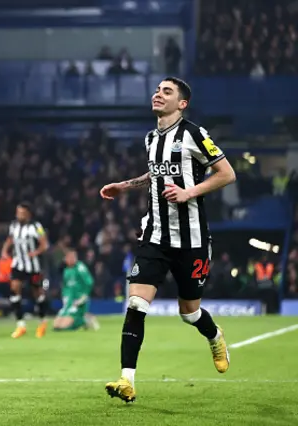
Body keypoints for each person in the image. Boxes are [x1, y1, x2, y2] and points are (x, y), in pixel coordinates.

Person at [99, 77, 236, 403]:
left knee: (189, 312)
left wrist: (189, 192)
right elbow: (155, 174)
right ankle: (126, 380)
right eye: (157, 90)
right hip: (155, 237)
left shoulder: (194, 134)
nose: (158, 94)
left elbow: (226, 173)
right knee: (136, 304)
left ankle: (215, 335)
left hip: (191, 240)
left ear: (182, 103)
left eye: (167, 91)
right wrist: (125, 185)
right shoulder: (150, 139)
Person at [1, 202, 49, 338]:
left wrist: (36, 252)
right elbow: (10, 240)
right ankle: (20, 325)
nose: (19, 215)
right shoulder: (14, 226)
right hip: (18, 264)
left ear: (28, 213)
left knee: (37, 293)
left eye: (21, 213)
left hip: (33, 266)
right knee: (15, 289)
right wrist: (4, 251)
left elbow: (44, 244)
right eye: (18, 212)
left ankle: (42, 322)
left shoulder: (36, 226)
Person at [53, 249, 99, 332]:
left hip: (77, 302)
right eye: (67, 258)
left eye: (72, 257)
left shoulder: (80, 267)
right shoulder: (66, 270)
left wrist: (83, 297)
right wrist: (64, 298)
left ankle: (83, 321)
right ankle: (85, 318)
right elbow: (65, 286)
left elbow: (89, 283)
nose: (69, 259)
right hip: (68, 303)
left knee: (64, 327)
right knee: (56, 326)